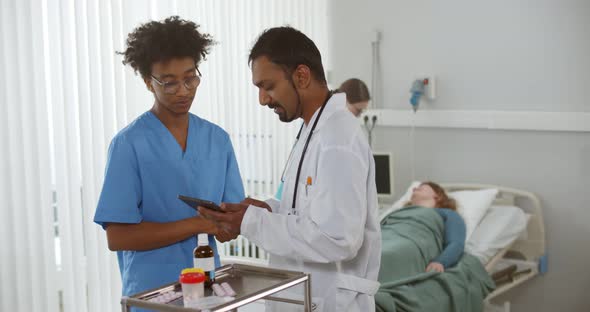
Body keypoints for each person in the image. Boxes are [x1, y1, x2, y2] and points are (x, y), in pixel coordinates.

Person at [199, 26, 381, 312]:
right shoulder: (312, 130)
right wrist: (264, 210)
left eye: (268, 86)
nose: (262, 99)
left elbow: (337, 238)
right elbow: (307, 213)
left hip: (332, 301)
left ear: (301, 76)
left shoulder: (337, 139)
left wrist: (250, 222)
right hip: (305, 295)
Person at [93, 16, 244, 300]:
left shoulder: (217, 139)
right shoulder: (129, 144)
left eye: (190, 78)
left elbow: (229, 223)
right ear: (149, 83)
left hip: (209, 289)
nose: (184, 91)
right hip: (153, 294)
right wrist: (198, 224)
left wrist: (227, 227)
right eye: (170, 83)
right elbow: (118, 237)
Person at [406, 181, 466, 272]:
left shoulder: (448, 214)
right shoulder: (400, 213)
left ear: (437, 196)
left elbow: (456, 243)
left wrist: (440, 262)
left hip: (409, 245)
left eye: (421, 187)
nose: (414, 189)